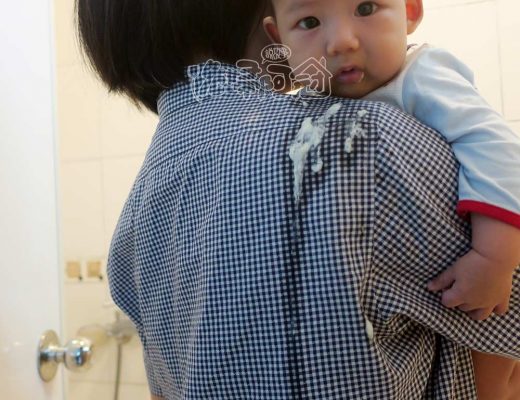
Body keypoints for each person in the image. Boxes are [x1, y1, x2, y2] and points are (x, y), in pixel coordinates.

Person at [76, 0, 520, 399]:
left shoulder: (139, 206)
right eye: (309, 20)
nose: (340, 41)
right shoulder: (358, 143)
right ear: (261, 18)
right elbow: (502, 339)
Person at [263, 0, 520, 324]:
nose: (342, 42)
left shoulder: (420, 75)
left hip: (461, 279)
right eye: (310, 22)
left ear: (410, 11)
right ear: (279, 41)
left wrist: (493, 258)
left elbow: (495, 148)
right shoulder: (300, 108)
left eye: (365, 9)